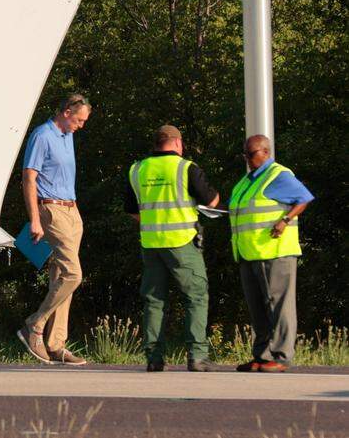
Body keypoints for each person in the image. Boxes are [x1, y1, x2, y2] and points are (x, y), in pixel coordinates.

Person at [125, 125, 221, 372]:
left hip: (151, 244)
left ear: (156, 144)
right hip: (182, 242)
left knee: (154, 301)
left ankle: (154, 358)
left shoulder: (137, 170)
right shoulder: (186, 168)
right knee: (196, 296)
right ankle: (197, 356)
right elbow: (211, 201)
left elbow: (133, 212)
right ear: (178, 143)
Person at [16, 93, 91, 365]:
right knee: (73, 274)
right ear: (67, 111)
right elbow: (28, 178)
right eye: (79, 120)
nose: (81, 126)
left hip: (72, 210)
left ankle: (56, 344)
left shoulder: (67, 136)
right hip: (51, 209)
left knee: (61, 274)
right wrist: (35, 219)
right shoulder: (42, 135)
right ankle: (34, 325)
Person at [230, 135, 314, 373]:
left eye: (252, 153)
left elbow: (304, 197)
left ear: (266, 152)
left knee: (279, 306)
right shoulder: (247, 181)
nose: (248, 159)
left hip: (275, 252)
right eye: (245, 154)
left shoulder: (278, 175)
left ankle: (281, 355)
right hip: (249, 253)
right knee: (258, 308)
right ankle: (262, 354)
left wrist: (285, 220)